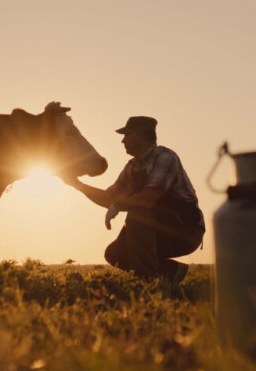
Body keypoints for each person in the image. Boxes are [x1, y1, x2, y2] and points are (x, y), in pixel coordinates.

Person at [68, 116, 204, 283]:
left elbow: (148, 199)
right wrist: (77, 185)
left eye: (127, 135)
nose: (123, 141)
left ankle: (148, 283)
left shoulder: (165, 158)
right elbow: (109, 198)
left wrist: (118, 204)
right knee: (115, 253)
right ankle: (171, 272)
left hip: (185, 230)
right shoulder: (131, 167)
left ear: (140, 136)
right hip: (154, 227)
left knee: (138, 213)